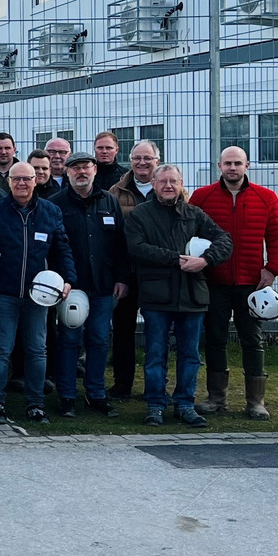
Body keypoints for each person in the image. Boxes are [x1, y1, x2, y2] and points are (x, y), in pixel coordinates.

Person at [124, 164, 232, 427]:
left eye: (173, 181)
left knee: (190, 355)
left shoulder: (194, 214)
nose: (168, 186)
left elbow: (225, 240)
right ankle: (155, 404)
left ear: (181, 184)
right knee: (155, 354)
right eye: (163, 181)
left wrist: (204, 260)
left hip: (192, 295)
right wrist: (177, 259)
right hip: (156, 297)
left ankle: (185, 404)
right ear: (153, 183)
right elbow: (137, 248)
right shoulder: (140, 215)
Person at [189, 146, 278, 419]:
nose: (232, 168)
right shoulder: (202, 197)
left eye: (238, 163)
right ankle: (216, 398)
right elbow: (188, 232)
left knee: (252, 340)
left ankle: (256, 402)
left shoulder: (266, 198)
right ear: (219, 166)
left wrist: (272, 270)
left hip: (251, 284)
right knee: (215, 339)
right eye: (228, 163)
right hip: (214, 281)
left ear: (247, 165)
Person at [0, 162, 76, 425]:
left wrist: (68, 280)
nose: (22, 183)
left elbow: (62, 249)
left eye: (27, 179)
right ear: (9, 181)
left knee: (37, 351)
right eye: (16, 179)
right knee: (0, 350)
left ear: (36, 181)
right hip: (2, 294)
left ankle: (35, 404)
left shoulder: (50, 211)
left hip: (38, 296)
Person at [50, 151, 128, 417]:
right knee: (69, 340)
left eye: (86, 167)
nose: (81, 172)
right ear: (67, 172)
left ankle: (96, 394)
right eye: (75, 168)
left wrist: (122, 278)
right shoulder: (56, 204)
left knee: (99, 339)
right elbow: (52, 247)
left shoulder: (109, 201)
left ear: (94, 170)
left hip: (104, 285)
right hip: (71, 286)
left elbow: (120, 243)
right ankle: (67, 396)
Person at [107, 140, 162, 398]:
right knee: (122, 330)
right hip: (126, 273)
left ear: (157, 161)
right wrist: (118, 274)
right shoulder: (115, 192)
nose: (142, 163)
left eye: (147, 158)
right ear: (130, 161)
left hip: (159, 274)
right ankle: (122, 384)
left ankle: (156, 386)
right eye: (137, 158)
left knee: (157, 332)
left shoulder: (168, 187)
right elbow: (112, 237)